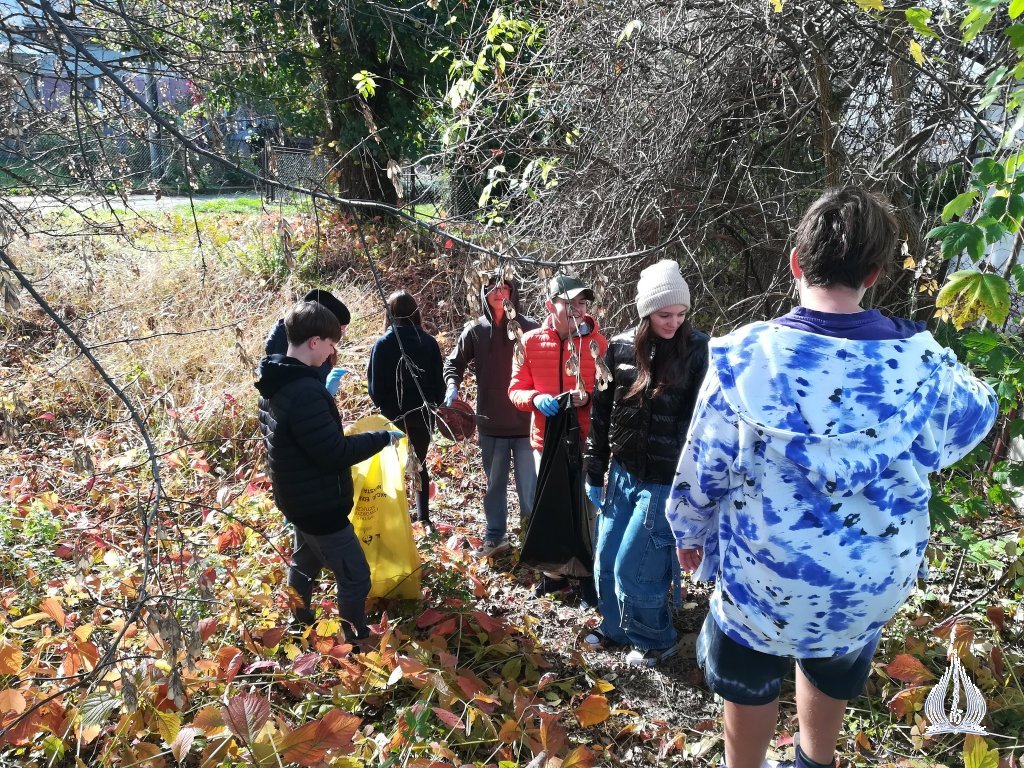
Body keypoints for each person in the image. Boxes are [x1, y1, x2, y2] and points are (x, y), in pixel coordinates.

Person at [667, 187, 998, 768]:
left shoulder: (746, 358)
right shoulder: (923, 364)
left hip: (764, 578)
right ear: (874, 274)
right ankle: (813, 761)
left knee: (748, 678)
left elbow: (704, 465)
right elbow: (978, 414)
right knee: (833, 656)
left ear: (796, 263)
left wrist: (688, 532)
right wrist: (931, 358)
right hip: (866, 584)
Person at [584, 260, 709, 667]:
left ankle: (656, 640)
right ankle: (616, 627)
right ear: (646, 312)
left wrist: (696, 491)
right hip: (623, 474)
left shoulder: (698, 351)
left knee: (635, 569)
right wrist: (594, 468)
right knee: (605, 559)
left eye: (681, 314)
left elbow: (704, 424)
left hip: (664, 482)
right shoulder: (619, 348)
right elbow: (601, 412)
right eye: (664, 315)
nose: (674, 322)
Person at [255, 301, 402, 643]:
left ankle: (299, 621)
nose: (332, 352)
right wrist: (381, 438)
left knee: (304, 563)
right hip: (320, 505)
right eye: (331, 343)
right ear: (314, 341)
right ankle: (356, 640)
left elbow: (302, 440)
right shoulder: (305, 391)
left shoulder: (274, 379)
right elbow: (334, 453)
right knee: (355, 576)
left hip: (295, 496)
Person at [508, 274, 608, 599]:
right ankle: (554, 576)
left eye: (582, 302)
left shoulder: (598, 344)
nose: (578, 309)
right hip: (545, 442)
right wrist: (535, 398)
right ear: (550, 306)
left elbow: (608, 391)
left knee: (586, 511)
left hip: (586, 441)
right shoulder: (529, 342)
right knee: (552, 507)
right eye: (570, 303)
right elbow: (515, 389)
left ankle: (587, 578)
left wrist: (588, 398)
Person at [443, 275, 540, 557]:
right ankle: (495, 537)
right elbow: (453, 363)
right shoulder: (476, 330)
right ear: (484, 294)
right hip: (491, 424)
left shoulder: (530, 328)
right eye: (492, 288)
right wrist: (452, 386)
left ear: (513, 292)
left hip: (526, 425)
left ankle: (532, 538)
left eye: (504, 287)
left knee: (529, 489)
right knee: (494, 486)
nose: (499, 292)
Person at [367, 290, 446, 528]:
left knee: (392, 468)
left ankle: (396, 520)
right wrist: (432, 405)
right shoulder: (428, 343)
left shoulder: (383, 344)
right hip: (422, 414)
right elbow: (439, 384)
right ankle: (423, 518)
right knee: (419, 464)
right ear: (416, 313)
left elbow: (375, 388)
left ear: (389, 314)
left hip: (393, 416)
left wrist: (385, 407)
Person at [266, 289, 350, 395]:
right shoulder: (290, 343)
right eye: (341, 329)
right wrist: (324, 395)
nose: (343, 334)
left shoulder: (317, 344)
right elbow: (295, 392)